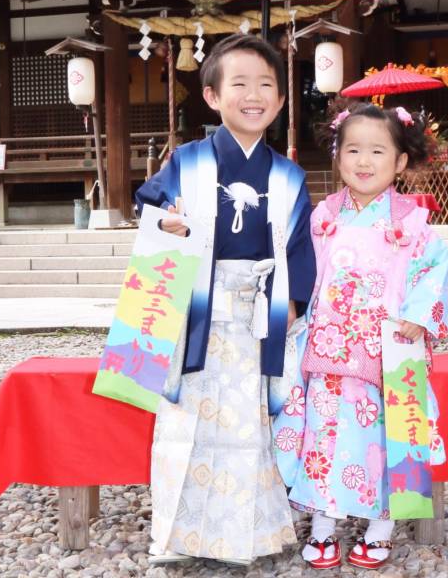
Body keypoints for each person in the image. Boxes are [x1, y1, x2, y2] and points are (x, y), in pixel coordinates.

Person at [135, 33, 316, 565]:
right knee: (183, 422)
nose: (254, 94)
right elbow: (149, 210)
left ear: (281, 101)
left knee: (249, 424)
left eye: (266, 85)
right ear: (213, 96)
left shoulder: (287, 176)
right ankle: (177, 536)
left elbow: (300, 250)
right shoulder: (187, 161)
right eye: (239, 83)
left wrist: (293, 309)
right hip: (193, 310)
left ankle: (247, 535)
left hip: (257, 314)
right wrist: (164, 222)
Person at [273, 102, 448, 570]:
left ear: (400, 162)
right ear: (337, 155)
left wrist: (419, 313)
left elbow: (433, 269)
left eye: (377, 151)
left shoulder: (411, 223)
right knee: (324, 437)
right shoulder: (322, 216)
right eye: (353, 149)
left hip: (386, 350)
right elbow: (300, 270)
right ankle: (324, 525)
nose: (364, 161)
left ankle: (381, 527)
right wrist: (290, 307)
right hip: (327, 348)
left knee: (385, 439)